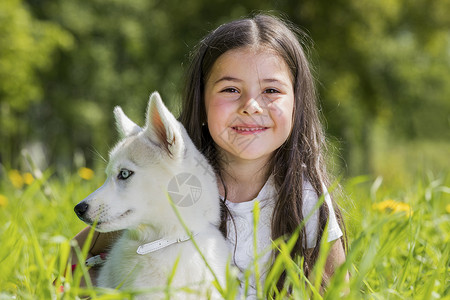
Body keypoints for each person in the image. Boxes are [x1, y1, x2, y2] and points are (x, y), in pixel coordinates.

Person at [71, 13, 348, 298]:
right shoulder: (171, 185)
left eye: (271, 90)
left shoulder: (304, 197)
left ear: (296, 103)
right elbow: (73, 257)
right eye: (230, 89)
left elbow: (338, 290)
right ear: (201, 101)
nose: (251, 105)